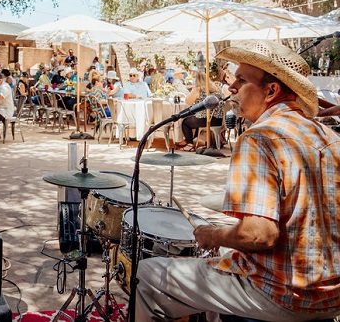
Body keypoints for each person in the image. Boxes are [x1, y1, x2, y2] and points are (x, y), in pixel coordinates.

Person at [135, 40, 340, 321]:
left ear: (271, 90)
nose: (231, 87)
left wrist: (213, 234)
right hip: (331, 295)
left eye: (241, 80)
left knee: (148, 275)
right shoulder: (329, 138)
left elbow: (259, 235)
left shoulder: (259, 137)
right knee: (221, 267)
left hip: (283, 295)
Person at [176, 71, 224, 151]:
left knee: (185, 122)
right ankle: (187, 141)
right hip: (218, 120)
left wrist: (193, 91)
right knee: (194, 118)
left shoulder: (199, 89)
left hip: (207, 119)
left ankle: (190, 144)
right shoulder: (216, 88)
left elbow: (188, 102)